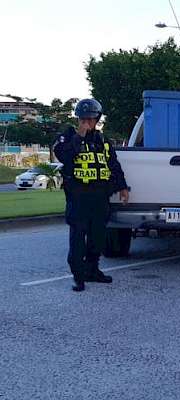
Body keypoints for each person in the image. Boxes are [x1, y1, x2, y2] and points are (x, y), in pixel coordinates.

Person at [53, 98, 130, 292]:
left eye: (91, 118)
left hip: (99, 197)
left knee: (98, 238)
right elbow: (64, 155)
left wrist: (122, 187)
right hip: (78, 197)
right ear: (78, 119)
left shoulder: (102, 141)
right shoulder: (68, 137)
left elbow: (113, 165)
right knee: (78, 239)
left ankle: (93, 270)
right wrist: (79, 136)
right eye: (83, 118)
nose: (87, 122)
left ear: (97, 119)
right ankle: (78, 277)